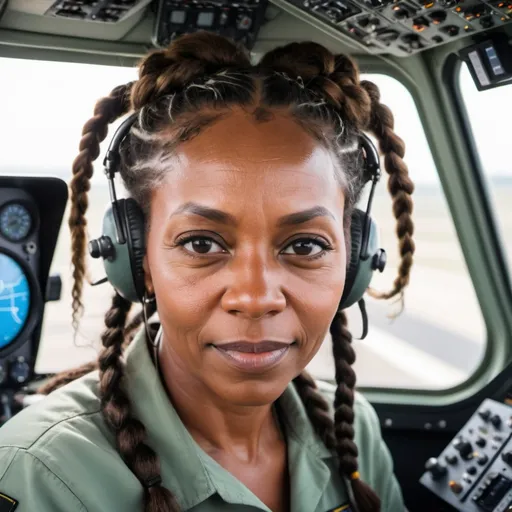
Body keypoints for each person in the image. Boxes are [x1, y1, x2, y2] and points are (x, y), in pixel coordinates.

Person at [0, 32, 414, 512]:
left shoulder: (354, 433)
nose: (256, 297)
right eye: (202, 243)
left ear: (356, 260)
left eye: (305, 244)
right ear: (138, 261)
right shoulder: (41, 472)